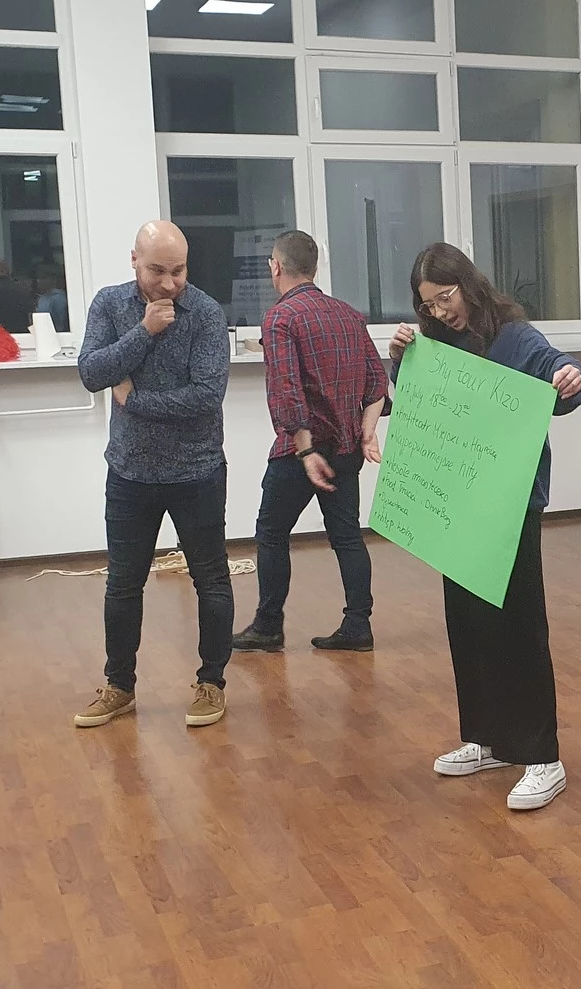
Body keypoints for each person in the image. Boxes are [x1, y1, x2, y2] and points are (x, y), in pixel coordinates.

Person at [389, 243, 581, 812]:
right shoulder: (435, 342)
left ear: (468, 285)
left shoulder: (514, 337)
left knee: (519, 626)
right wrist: (400, 359)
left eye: (445, 298)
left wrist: (570, 377)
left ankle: (543, 756)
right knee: (468, 624)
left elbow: (560, 379)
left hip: (511, 502)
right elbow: (419, 400)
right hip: (459, 503)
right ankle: (488, 739)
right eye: (428, 304)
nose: (439, 311)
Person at [72, 221, 233, 730]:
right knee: (123, 584)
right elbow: (91, 373)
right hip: (130, 472)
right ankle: (119, 686)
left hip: (197, 471)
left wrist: (134, 400)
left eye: (178, 271)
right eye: (157, 270)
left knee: (211, 580)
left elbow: (205, 396)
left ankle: (212, 683)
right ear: (134, 261)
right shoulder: (110, 304)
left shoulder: (205, 313)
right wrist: (144, 332)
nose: (169, 283)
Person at [231, 229, 388, 654]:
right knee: (347, 536)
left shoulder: (280, 318)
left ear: (275, 267)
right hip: (346, 449)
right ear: (315, 268)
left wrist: (305, 451)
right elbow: (377, 383)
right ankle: (358, 625)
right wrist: (367, 430)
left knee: (271, 532)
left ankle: (268, 625)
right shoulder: (350, 315)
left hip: (300, 453)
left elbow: (288, 391)